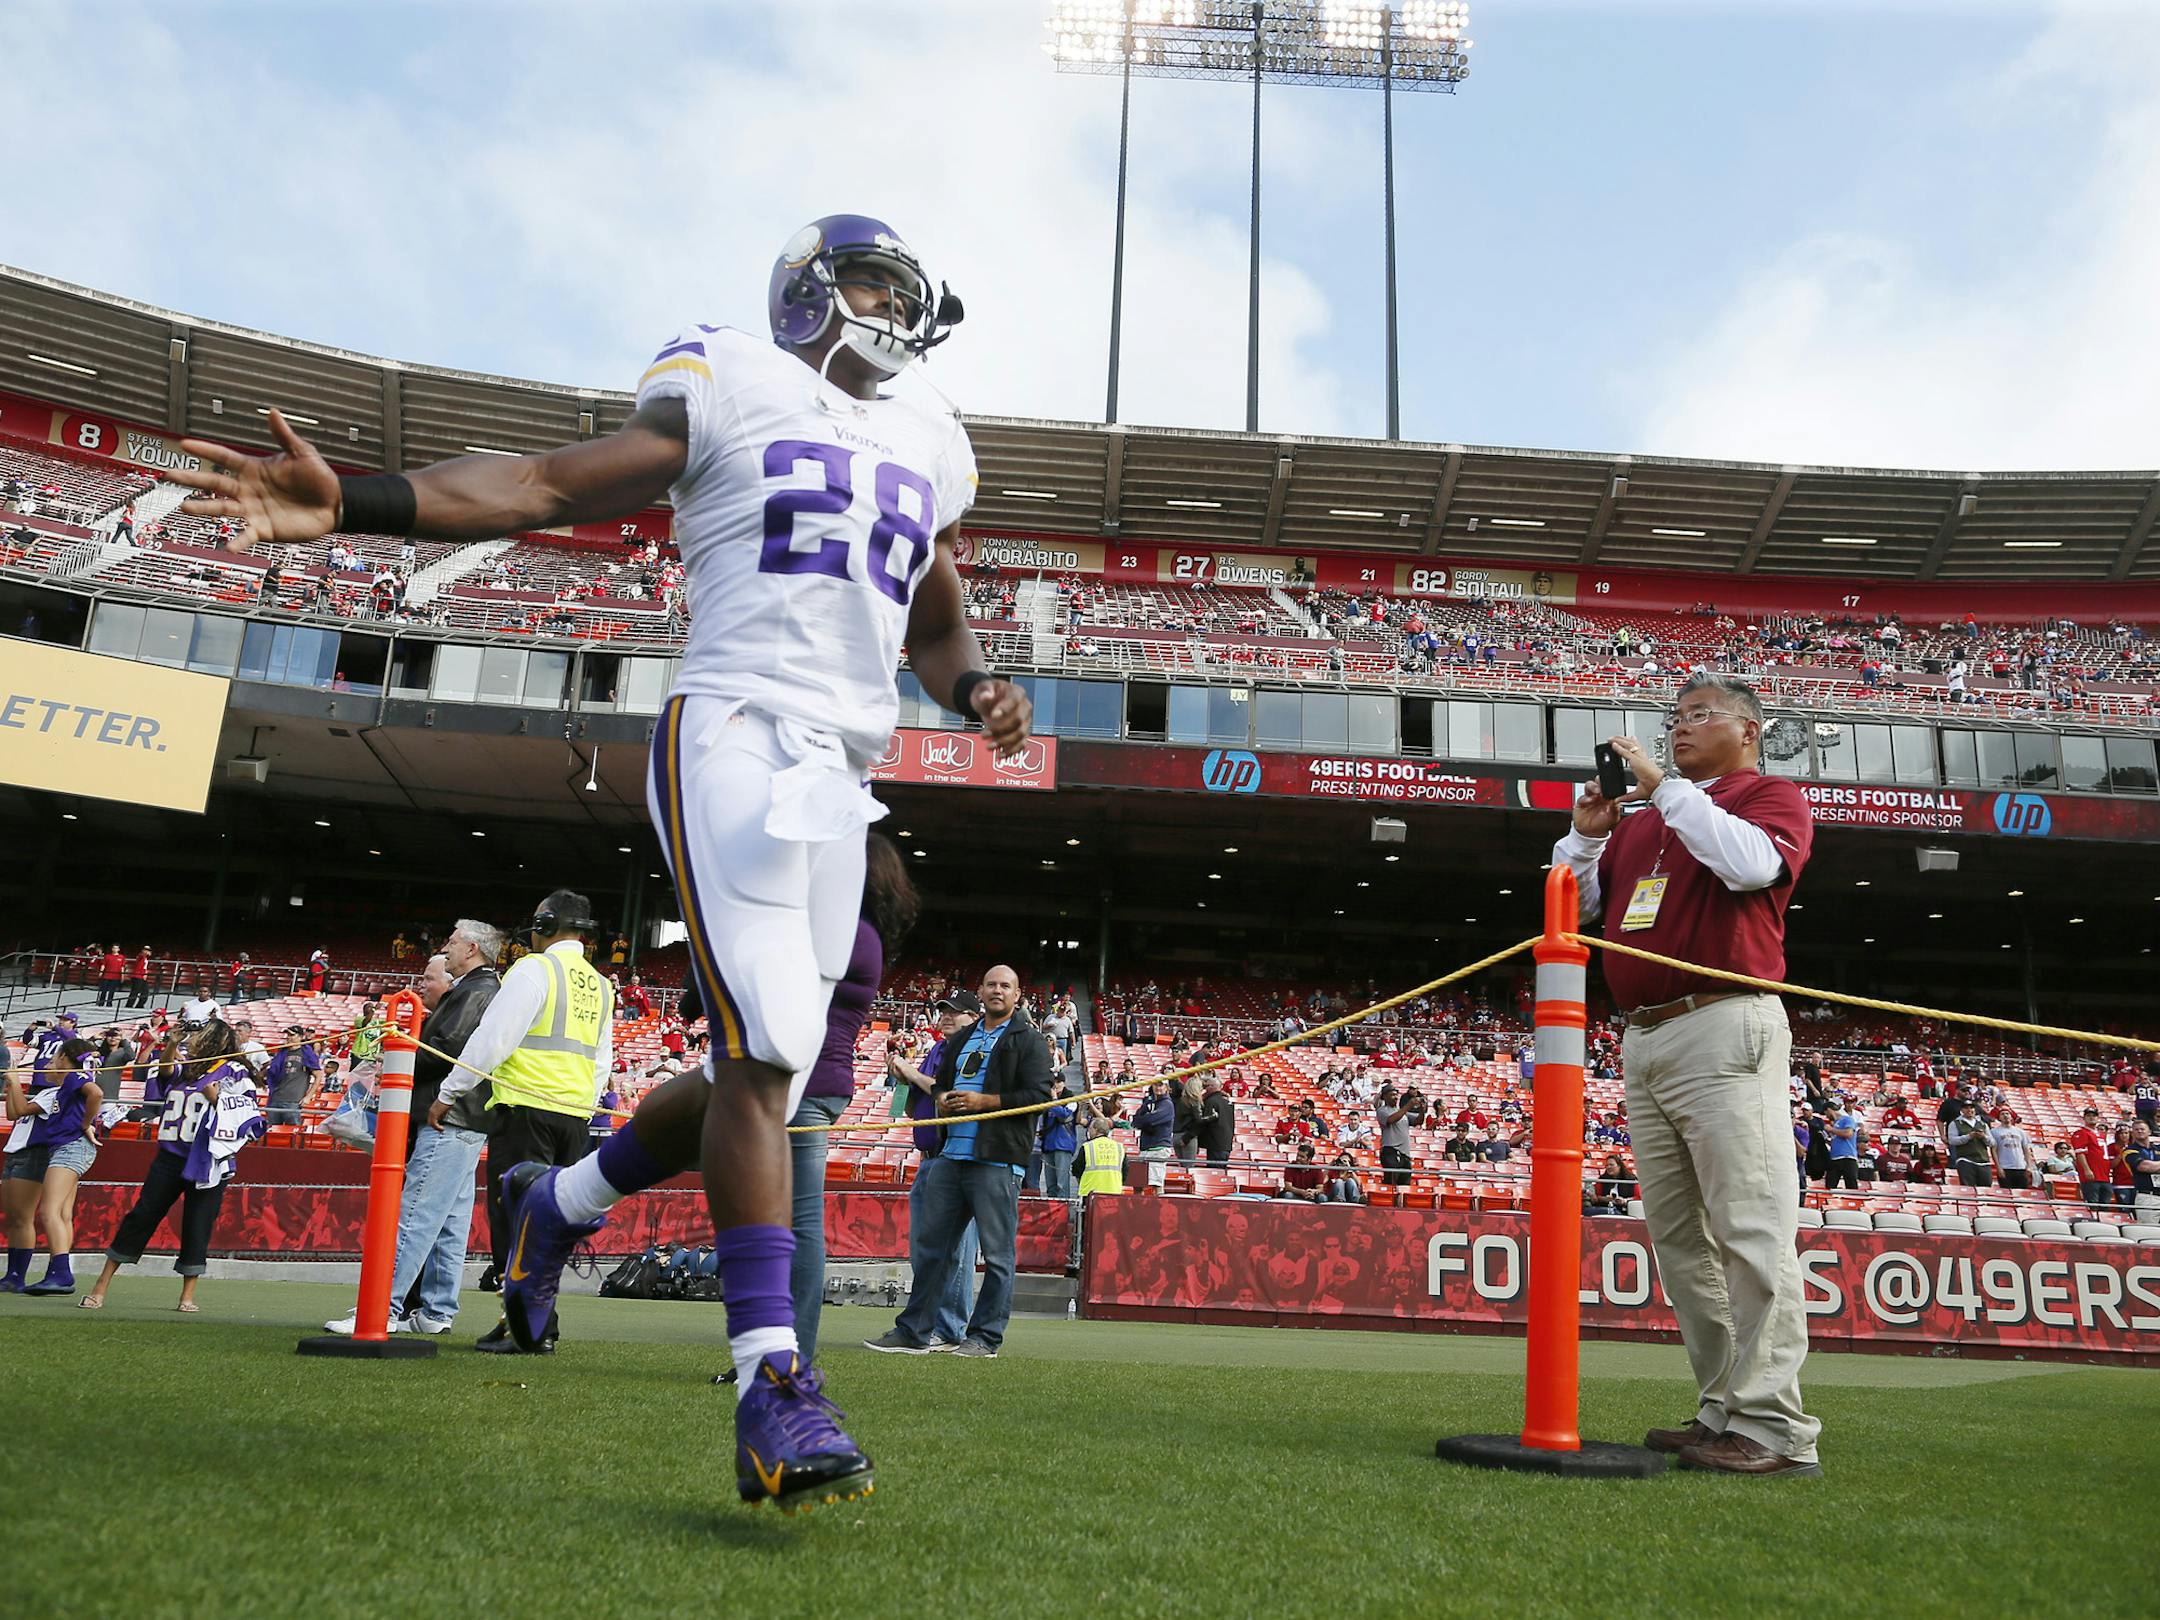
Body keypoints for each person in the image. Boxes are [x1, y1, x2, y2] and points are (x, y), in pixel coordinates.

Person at [176, 213, 1032, 1509]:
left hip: (839, 778)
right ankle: (772, 1387)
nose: (885, 304)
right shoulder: (734, 375)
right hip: (736, 725)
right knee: (757, 1059)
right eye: (865, 280)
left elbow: (935, 613)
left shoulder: (929, 442)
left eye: (898, 288)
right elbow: (543, 486)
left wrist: (977, 691)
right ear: (810, 293)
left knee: (774, 1068)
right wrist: (355, 500)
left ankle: (560, 1204)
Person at [1551, 673, 1822, 1478]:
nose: (1680, 728)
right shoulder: (1643, 824)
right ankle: (1721, 1407)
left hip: (1724, 1020)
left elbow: (1748, 868)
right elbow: (1574, 909)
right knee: (1679, 1239)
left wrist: (1666, 792)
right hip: (1646, 1034)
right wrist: (1590, 838)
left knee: (1750, 1226)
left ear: (1749, 729)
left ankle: (1774, 1426)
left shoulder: (1770, 794)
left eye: (1702, 715)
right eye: (1675, 717)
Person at [427, 889, 613, 1355]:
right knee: (550, 1225)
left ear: (546, 925)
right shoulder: (600, 984)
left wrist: (448, 1093)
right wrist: (583, 1105)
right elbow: (601, 1060)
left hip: (526, 1111)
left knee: (516, 1223)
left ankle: (524, 1327)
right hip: (573, 1118)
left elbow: (494, 1038)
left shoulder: (534, 969)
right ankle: (534, 1321)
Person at [867, 965, 1053, 1358]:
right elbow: (941, 1086)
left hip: (997, 1160)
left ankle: (984, 1338)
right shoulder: (962, 1038)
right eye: (990, 984)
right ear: (981, 991)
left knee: (998, 1256)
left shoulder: (1030, 1040)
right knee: (934, 1250)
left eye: (1005, 985)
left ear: (1017, 995)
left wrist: (984, 1102)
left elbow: (1039, 1096)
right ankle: (915, 1331)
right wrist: (940, 1096)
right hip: (951, 1157)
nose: (997, 990)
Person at [786, 833, 916, 1363]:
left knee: (795, 1223)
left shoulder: (845, 935)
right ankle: (780, 1349)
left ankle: (789, 1353)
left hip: (805, 1085)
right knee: (785, 1221)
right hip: (808, 1083)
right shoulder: (861, 936)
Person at [81, 1020, 265, 1313]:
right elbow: (166, 1072)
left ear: (214, 1040)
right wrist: (170, 1044)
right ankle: (101, 1284)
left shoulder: (234, 1070)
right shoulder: (189, 1065)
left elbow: (245, 1114)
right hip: (170, 1154)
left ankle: (187, 1295)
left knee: (198, 1223)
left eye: (200, 1036)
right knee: (142, 1215)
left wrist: (215, 1098)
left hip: (208, 1159)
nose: (193, 1040)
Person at [3, 1034, 105, 1294]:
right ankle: (56, 1272)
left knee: (49, 1211)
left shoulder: (74, 1077)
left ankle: (61, 1273)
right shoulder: (62, 1089)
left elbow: (96, 1092)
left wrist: (86, 1124)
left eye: (55, 1056)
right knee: (59, 1213)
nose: (49, 1062)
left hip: (71, 1147)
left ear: (65, 1058)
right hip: (65, 1147)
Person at [262, 1025, 321, 1128]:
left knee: (292, 1131)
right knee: (272, 1131)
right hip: (276, 1097)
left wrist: (308, 1096)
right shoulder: (282, 1053)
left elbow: (319, 1075)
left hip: (294, 1100)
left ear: (300, 1037)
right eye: (287, 1035)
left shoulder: (306, 1053)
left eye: (292, 1035)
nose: (288, 1037)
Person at [1037, 1075, 1078, 1200]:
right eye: (1053, 1082)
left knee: (1062, 1184)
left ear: (1064, 1083)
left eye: (1059, 1082)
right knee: (1051, 1185)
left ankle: (1063, 1212)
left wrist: (1054, 1099)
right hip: (1048, 1145)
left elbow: (1064, 1116)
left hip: (1064, 1145)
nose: (1056, 1085)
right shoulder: (1045, 1100)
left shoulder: (1072, 1099)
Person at [1131, 1079, 1175, 1189]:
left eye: (1161, 1085)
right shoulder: (1148, 1101)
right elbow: (1135, 1120)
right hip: (1145, 1147)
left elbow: (1150, 1120)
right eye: (1155, 1084)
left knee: (1156, 1184)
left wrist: (1144, 1121)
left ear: (1166, 1088)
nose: (1158, 1088)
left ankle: (1158, 1205)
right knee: (1138, 1183)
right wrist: (1146, 1121)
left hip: (1158, 1148)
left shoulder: (1167, 1104)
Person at [2069, 1107, 2114, 1208]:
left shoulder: (2101, 1134)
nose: (2091, 1118)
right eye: (2088, 1116)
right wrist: (2086, 1169)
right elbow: (2080, 1153)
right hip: (2092, 1176)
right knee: (2093, 1205)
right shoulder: (2081, 1133)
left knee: (2105, 1206)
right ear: (2084, 1118)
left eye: (2094, 1116)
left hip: (2104, 1176)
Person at [1075, 1114, 1126, 1198]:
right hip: (1114, 1193)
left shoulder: (1088, 1146)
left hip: (1089, 1193)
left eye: (1090, 1129)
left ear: (1095, 1130)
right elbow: (1125, 1171)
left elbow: (1077, 1170)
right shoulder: (1119, 1147)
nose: (1089, 1132)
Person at [1193, 1073, 1235, 1167]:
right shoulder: (1227, 1102)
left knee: (1215, 1172)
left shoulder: (1211, 1102)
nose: (1204, 1089)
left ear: (1212, 1087)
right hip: (1225, 1143)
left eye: (1206, 1086)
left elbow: (1203, 1122)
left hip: (1215, 1144)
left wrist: (1190, 1138)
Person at [1375, 1084, 1413, 1187]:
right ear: (1385, 1097)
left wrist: (1422, 1109)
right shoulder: (1382, 1110)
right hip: (1390, 1151)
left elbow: (1418, 1120)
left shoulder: (1401, 1112)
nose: (1395, 1097)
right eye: (1392, 1095)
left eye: (1396, 1095)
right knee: (1391, 1183)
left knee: (1405, 1184)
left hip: (1405, 1153)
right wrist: (1407, 1107)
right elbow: (1391, 1120)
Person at [1823, 1099, 1861, 1190]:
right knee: (1829, 1186)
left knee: (1851, 1187)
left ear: (1829, 1110)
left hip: (1848, 1157)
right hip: (1835, 1158)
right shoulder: (1835, 1124)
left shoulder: (1847, 1119)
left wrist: (1831, 1130)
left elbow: (1848, 1134)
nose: (1826, 1116)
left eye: (1826, 1113)